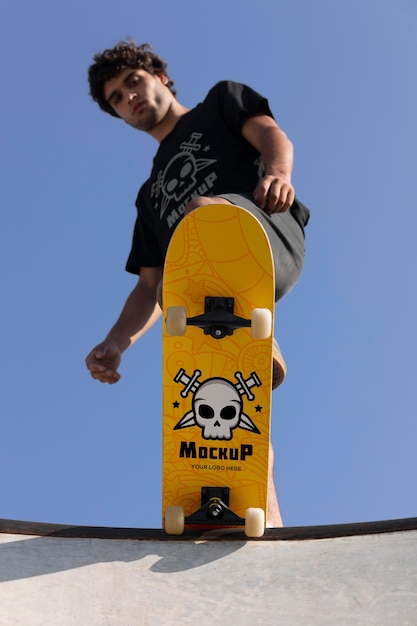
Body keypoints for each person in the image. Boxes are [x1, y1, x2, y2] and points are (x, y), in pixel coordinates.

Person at [85, 41, 310, 527]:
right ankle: (256, 518)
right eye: (117, 99)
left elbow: (272, 134)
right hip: (203, 298)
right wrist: (115, 342)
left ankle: (249, 326)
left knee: (201, 218)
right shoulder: (148, 199)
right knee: (232, 421)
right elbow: (148, 287)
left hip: (266, 233)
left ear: (160, 76)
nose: (130, 98)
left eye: (133, 83)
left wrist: (278, 174)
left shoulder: (219, 102)